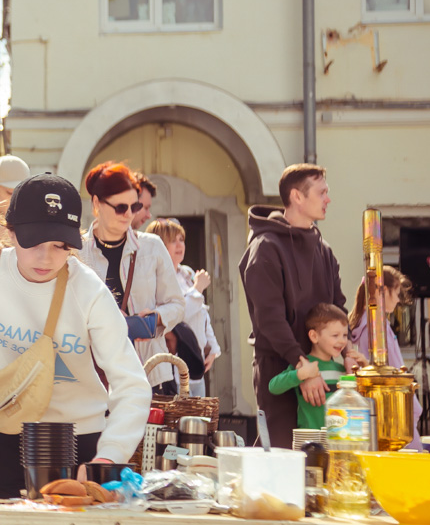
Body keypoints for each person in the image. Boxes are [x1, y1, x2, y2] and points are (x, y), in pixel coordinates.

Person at [0, 173, 151, 525]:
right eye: (34, 243)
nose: (47, 258)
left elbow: (132, 385)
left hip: (79, 446)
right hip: (2, 441)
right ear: (9, 233)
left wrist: (107, 460)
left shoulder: (87, 287)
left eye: (61, 245)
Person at [238, 164, 363, 449]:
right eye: (322, 193)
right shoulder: (266, 247)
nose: (328, 199)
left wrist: (346, 353)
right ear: (297, 196)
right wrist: (302, 366)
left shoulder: (324, 250)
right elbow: (269, 318)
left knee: (328, 455)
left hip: (324, 368)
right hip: (280, 366)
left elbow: (338, 309)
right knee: (283, 455)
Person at [79, 161, 185, 394]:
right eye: (120, 207)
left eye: (134, 206)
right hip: (96, 378)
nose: (128, 214)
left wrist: (155, 318)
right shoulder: (77, 253)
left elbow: (177, 304)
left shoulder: (152, 246)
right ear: (97, 203)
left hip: (149, 374)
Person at [348, 265, 421, 448]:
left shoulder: (366, 325)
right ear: (384, 290)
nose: (398, 300)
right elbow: (392, 371)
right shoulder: (375, 329)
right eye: (397, 294)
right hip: (392, 410)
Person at [146, 218, 220, 397]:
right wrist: (197, 289)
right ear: (160, 245)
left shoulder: (186, 273)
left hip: (195, 364)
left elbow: (202, 313)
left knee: (199, 422)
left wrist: (213, 349)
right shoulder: (154, 277)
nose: (179, 245)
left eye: (181, 239)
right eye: (173, 240)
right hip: (174, 367)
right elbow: (176, 316)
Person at [267, 304, 350, 430]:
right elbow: (273, 386)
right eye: (335, 335)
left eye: (345, 335)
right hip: (309, 442)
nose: (342, 341)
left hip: (339, 440)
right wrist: (300, 375)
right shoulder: (304, 365)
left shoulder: (342, 370)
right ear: (314, 336)